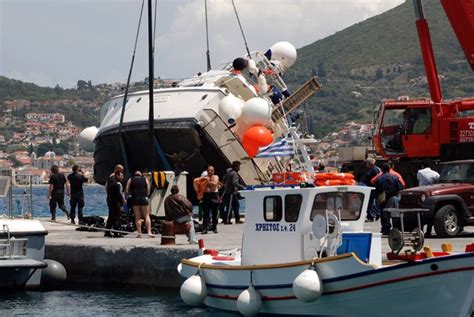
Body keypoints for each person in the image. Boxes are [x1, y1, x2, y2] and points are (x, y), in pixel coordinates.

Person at [374, 163, 403, 235]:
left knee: (384, 214)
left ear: (382, 169)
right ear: (389, 169)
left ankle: (385, 229)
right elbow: (400, 187)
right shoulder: (395, 177)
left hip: (383, 199)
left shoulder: (379, 178)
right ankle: (396, 228)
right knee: (395, 213)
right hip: (393, 198)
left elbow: (376, 189)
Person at [126, 171, 153, 238]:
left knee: (137, 216)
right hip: (144, 198)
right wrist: (147, 195)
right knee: (147, 215)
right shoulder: (145, 179)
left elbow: (127, 189)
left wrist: (127, 196)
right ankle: (149, 232)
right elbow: (148, 188)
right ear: (140, 174)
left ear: (134, 175)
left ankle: (139, 233)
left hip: (135, 198)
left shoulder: (131, 179)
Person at [105, 171, 125, 238]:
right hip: (115, 202)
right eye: (121, 176)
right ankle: (116, 233)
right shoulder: (116, 184)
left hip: (110, 201)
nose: (122, 177)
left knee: (111, 217)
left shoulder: (111, 181)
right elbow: (119, 195)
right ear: (117, 175)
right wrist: (122, 203)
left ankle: (107, 232)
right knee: (117, 217)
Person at [201, 165, 220, 234]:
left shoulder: (215, 177)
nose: (210, 171)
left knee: (214, 213)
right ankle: (205, 228)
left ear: (213, 171)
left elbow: (215, 184)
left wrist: (207, 182)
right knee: (206, 213)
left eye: (211, 170)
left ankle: (214, 227)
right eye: (209, 170)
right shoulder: (204, 177)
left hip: (214, 195)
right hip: (206, 195)